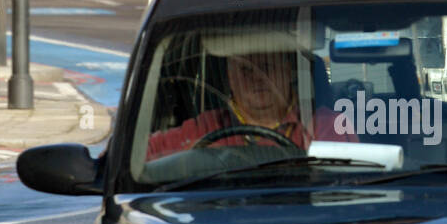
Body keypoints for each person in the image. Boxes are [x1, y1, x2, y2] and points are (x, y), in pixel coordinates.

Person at [147, 43, 351, 160]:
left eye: (266, 67)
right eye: (246, 69)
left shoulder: (328, 126)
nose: (258, 78)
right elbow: (142, 158)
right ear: (230, 77)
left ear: (287, 72)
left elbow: (347, 188)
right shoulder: (206, 128)